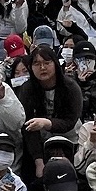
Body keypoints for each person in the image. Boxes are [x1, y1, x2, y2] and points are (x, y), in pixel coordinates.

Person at [18, 44, 83, 181]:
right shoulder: (27, 89)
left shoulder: (71, 87)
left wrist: (46, 123)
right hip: (39, 142)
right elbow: (27, 127)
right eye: (37, 64)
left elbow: (70, 121)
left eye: (47, 63)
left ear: (55, 64)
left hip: (69, 138)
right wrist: (38, 160)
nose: (42, 67)